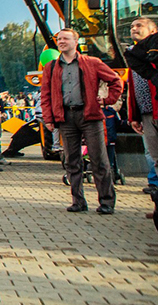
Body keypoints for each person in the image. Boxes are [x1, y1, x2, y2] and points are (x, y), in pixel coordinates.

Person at [41, 28, 123, 214]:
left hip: (90, 116)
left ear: (75, 42)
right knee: (71, 161)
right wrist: (48, 118)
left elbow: (116, 81)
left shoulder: (91, 63)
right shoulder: (52, 67)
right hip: (65, 118)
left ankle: (106, 201)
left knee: (99, 160)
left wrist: (108, 100)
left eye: (65, 39)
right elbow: (45, 94)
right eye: (59, 39)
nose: (61, 42)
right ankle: (78, 201)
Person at [125, 16, 158, 209]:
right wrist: (134, 117)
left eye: (139, 25)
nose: (134, 28)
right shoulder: (134, 56)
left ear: (153, 31)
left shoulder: (154, 53)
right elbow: (133, 89)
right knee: (155, 158)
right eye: (132, 26)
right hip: (146, 115)